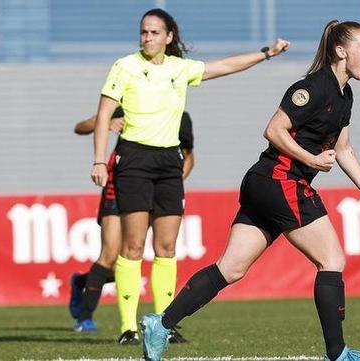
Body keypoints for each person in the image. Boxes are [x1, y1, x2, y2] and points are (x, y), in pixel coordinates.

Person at [140, 20, 360, 361]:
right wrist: (312, 160)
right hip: (280, 181)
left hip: (264, 184)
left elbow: (344, 148)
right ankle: (339, 354)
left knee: (230, 269)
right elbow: (273, 129)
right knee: (332, 260)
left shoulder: (345, 95)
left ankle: (161, 323)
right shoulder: (313, 87)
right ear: (340, 51)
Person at [90, 8, 289, 347]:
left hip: (169, 161)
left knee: (166, 246)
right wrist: (98, 160)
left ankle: (162, 322)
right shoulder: (124, 66)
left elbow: (224, 66)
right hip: (134, 160)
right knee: (134, 245)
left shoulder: (179, 69)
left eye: (154, 32)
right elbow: (105, 112)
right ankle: (127, 327)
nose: (147, 38)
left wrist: (265, 53)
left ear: (168, 37)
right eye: (144, 32)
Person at [69, 108, 195, 345]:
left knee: (159, 249)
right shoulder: (127, 103)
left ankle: (85, 283)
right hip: (119, 188)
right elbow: (81, 127)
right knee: (112, 255)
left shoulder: (178, 112)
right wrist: (107, 122)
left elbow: (188, 155)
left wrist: (173, 183)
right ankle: (88, 318)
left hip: (157, 189)